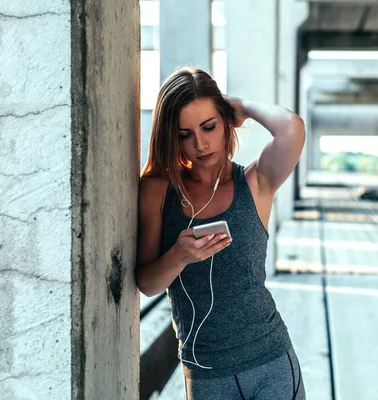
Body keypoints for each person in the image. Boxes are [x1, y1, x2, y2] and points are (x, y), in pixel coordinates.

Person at [136, 67, 306, 400]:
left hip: (271, 361)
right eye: (185, 134)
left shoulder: (256, 182)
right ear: (172, 136)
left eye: (209, 126)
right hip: (206, 375)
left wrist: (241, 105)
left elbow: (292, 128)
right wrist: (178, 256)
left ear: (225, 122)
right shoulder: (157, 191)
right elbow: (147, 283)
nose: (200, 144)